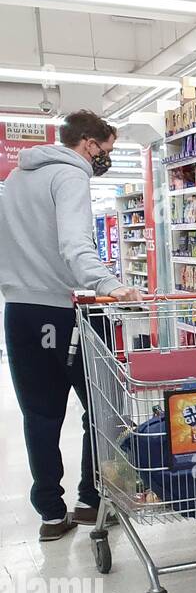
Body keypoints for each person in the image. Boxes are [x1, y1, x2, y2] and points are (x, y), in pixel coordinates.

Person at [0, 109, 142, 542]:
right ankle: (91, 499)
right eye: (107, 150)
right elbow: (74, 244)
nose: (105, 158)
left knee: (39, 415)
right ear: (88, 143)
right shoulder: (71, 176)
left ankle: (50, 514)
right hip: (68, 311)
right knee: (104, 407)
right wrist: (112, 286)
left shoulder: (15, 180)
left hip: (20, 311)